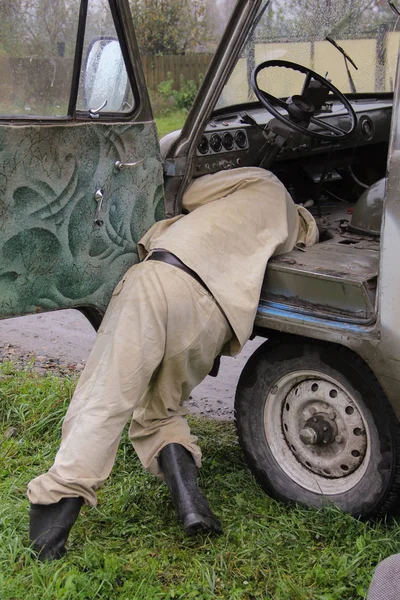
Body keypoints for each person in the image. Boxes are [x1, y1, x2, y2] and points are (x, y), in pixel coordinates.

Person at [27, 167, 318, 560]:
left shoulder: (264, 181)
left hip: (165, 278)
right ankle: (192, 504)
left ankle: (51, 521)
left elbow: (187, 190)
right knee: (160, 411)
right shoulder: (293, 232)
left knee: (106, 397)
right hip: (215, 319)